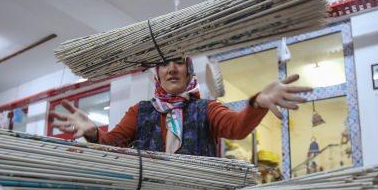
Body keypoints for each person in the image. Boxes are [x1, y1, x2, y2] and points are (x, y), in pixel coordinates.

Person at [51, 56, 311, 156]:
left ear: (188, 73)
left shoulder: (206, 108)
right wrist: (93, 133)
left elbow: (237, 128)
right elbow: (113, 144)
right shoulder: (140, 111)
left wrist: (257, 103)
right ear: (157, 74)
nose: (172, 69)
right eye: (164, 64)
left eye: (178, 63)